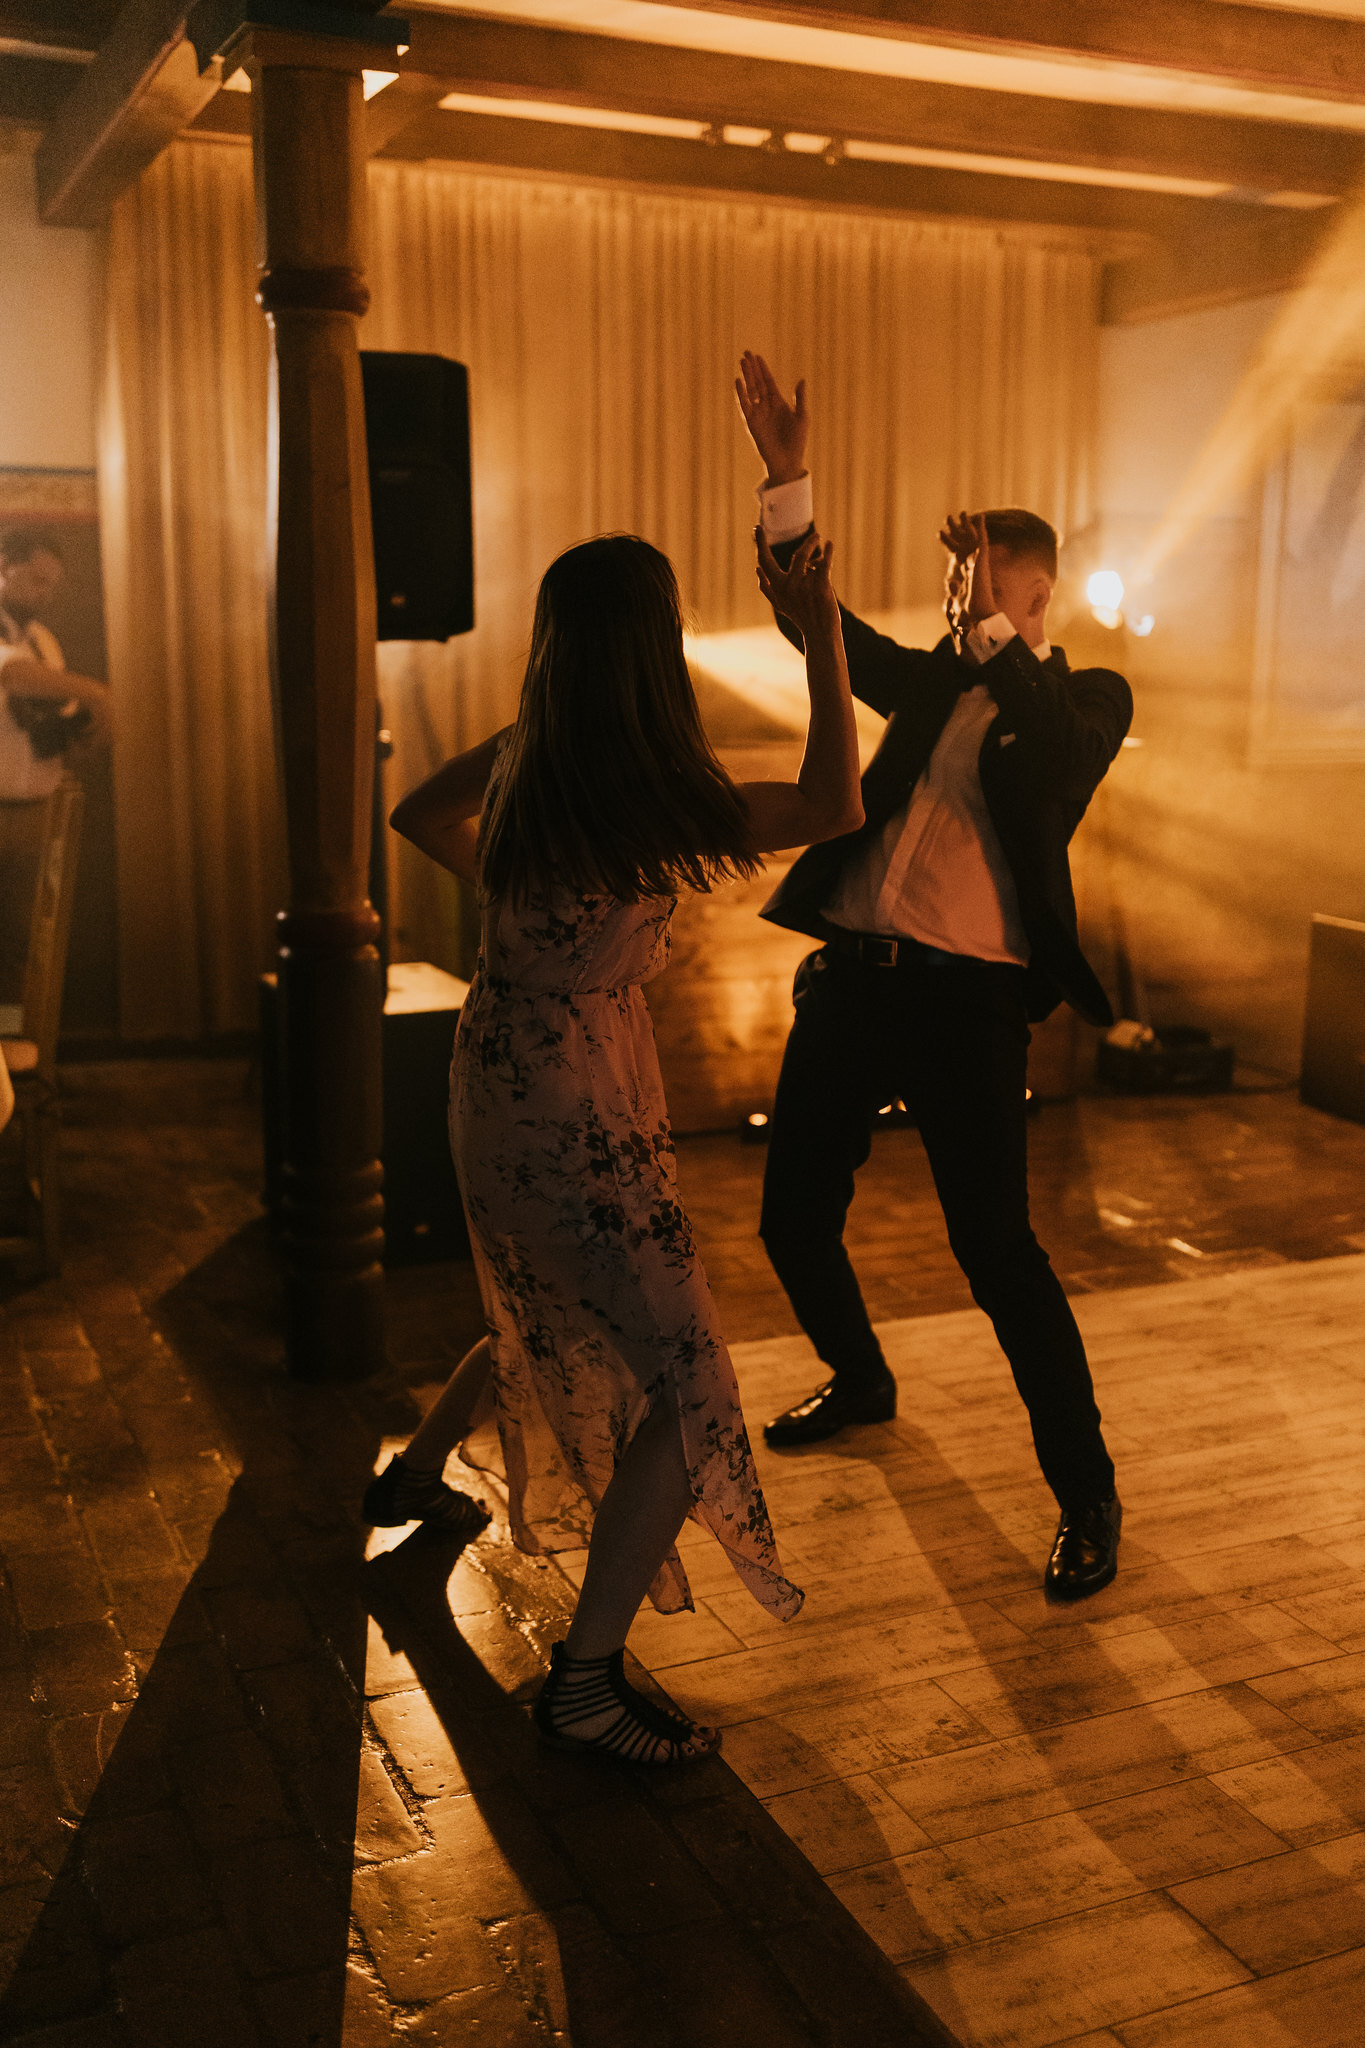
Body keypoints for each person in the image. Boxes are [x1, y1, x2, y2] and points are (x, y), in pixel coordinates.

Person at [366, 529, 862, 1763]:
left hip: (500, 1058)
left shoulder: (533, 762)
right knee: (690, 1387)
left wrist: (517, 879)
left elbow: (416, 811)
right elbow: (836, 804)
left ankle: (411, 1480)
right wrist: (822, 634)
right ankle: (585, 1680)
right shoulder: (642, 792)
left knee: (547, 1301)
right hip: (576, 1093)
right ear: (655, 649)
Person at [734, 351, 1132, 1602]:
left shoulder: (1086, 698)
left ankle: (1088, 1494)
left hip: (970, 1004)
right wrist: (788, 483)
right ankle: (861, 1377)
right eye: (962, 581)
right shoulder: (934, 680)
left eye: (983, 580)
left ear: (1035, 594)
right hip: (855, 981)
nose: (962, 599)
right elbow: (819, 628)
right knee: (791, 1216)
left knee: (996, 1252)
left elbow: (1053, 755)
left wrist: (987, 631)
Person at [0, 532, 111, 1007]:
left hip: (36, 812)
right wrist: (99, 694)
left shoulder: (43, 640)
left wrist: (82, 733)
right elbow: (12, 674)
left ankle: (9, 1039)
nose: (44, 594)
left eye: (51, 585)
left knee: (21, 942)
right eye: (36, 580)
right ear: (3, 566)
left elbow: (53, 707)